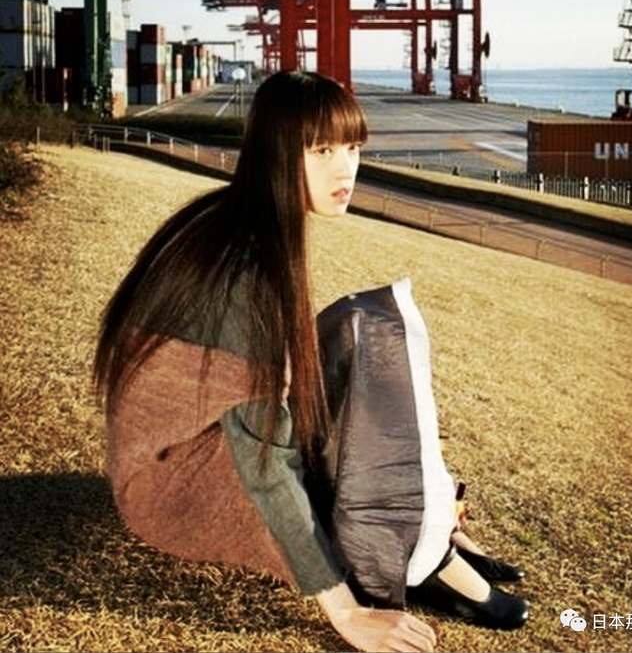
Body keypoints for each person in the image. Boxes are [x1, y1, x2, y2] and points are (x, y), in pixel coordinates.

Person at [94, 70, 529, 653]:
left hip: (199, 444)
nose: (345, 169)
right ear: (277, 151)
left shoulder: (245, 219)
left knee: (364, 328)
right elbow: (265, 467)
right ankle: (423, 555)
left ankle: (429, 532)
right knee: (361, 364)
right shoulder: (244, 272)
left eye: (352, 148)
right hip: (176, 484)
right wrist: (347, 614)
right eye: (322, 151)